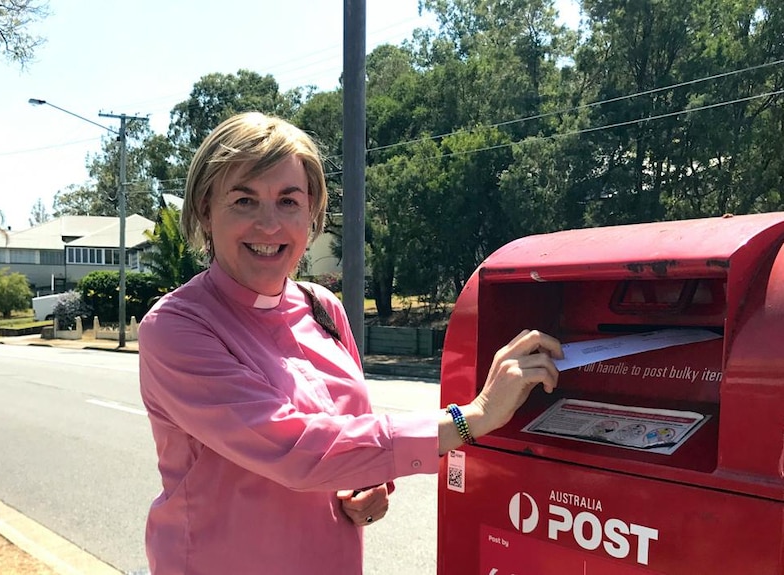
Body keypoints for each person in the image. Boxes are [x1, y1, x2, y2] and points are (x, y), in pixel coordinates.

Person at [138, 112, 563, 575]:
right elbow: (300, 449)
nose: (269, 225)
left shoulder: (324, 307)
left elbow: (352, 435)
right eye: (243, 200)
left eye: (288, 201)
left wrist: (372, 486)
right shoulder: (178, 328)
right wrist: (473, 418)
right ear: (205, 209)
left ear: (312, 211)